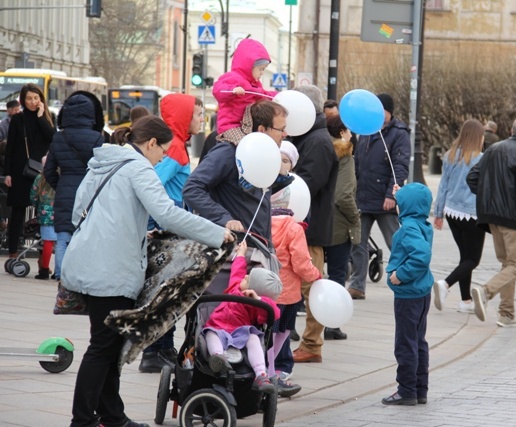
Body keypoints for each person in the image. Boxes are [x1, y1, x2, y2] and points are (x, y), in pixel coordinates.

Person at [62, 115, 234, 427]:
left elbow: (79, 212)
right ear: (150, 143)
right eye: (163, 150)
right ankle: (83, 420)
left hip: (87, 260)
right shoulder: (138, 166)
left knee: (108, 345)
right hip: (111, 269)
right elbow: (166, 214)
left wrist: (135, 233)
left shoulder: (104, 161)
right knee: (103, 348)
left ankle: (112, 416)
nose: (163, 157)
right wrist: (214, 233)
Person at [139, 94, 204, 373]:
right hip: (167, 225)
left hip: (170, 222)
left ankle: (163, 348)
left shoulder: (177, 144)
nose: (202, 120)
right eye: (198, 115)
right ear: (184, 117)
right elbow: (153, 181)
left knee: (169, 288)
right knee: (168, 289)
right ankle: (155, 352)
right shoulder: (175, 147)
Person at [466, 117, 516, 327]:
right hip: (514, 219)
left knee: (507, 264)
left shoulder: (494, 149)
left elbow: (472, 178)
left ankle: (506, 314)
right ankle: (485, 291)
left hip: (492, 217)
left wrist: (489, 196)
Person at [183, 100, 288, 240]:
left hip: (257, 246)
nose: (285, 134)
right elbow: (192, 188)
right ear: (262, 129)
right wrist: (224, 218)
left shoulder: (262, 154)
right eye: (281, 129)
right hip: (235, 249)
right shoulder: (229, 151)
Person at [288, 85, 339, 364]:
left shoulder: (317, 141)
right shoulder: (309, 137)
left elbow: (307, 184)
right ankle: (308, 343)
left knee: (312, 288)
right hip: (303, 224)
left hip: (310, 226)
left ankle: (311, 344)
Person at [348, 93, 410, 300]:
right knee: (358, 242)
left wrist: (391, 194)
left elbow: (400, 167)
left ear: (389, 112)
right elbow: (357, 163)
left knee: (396, 242)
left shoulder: (399, 134)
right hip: (363, 196)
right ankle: (357, 285)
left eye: (380, 109)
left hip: (385, 199)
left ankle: (404, 279)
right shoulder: (366, 130)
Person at [269, 154, 321, 394]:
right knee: (282, 333)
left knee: (266, 333)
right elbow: (301, 263)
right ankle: (273, 373)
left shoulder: (263, 222)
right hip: (288, 294)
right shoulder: (293, 228)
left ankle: (266, 370)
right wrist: (316, 276)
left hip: (265, 291)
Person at [204, 240, 281, 393]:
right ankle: (219, 358)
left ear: (254, 289)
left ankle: (261, 374)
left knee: (253, 338)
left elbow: (275, 312)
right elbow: (238, 270)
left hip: (241, 332)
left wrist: (257, 300)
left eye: (248, 279)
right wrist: (241, 253)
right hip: (218, 327)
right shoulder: (235, 286)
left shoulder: (258, 304)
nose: (244, 277)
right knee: (209, 333)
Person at [44, 91, 105, 280]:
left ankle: (61, 275)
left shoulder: (59, 138)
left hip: (64, 190)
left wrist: (60, 185)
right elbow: (102, 168)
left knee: (62, 238)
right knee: (86, 235)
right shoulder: (96, 138)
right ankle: (81, 274)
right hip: (89, 192)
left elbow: (48, 171)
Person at [382, 182, 433, 406]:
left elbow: (421, 256)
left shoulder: (409, 227)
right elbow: (410, 204)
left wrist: (401, 274)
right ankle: (419, 389)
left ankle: (406, 390)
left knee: (405, 343)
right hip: (421, 293)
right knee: (418, 340)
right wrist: (401, 194)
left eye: (400, 203)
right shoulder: (420, 222)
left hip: (408, 293)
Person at [433, 119, 485, 314]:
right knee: (473, 259)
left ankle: (465, 301)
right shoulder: (481, 158)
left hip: (452, 212)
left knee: (465, 257)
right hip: (471, 214)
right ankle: (445, 284)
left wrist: (438, 213)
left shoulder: (450, 156)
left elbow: (443, 186)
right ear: (478, 137)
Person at [3, 83, 56, 259]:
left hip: (41, 173)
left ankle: (43, 258)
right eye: (29, 98)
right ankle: (13, 252)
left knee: (43, 213)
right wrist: (8, 173)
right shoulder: (18, 119)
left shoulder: (48, 117)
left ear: (41, 99)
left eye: (36, 98)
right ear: (23, 100)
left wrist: (41, 117)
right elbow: (10, 147)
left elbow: (52, 138)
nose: (33, 102)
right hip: (20, 170)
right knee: (17, 213)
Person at [323, 113, 360, 340]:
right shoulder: (345, 155)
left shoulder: (320, 150)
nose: (352, 134)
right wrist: (355, 217)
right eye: (349, 130)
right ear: (341, 133)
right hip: (338, 225)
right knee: (337, 275)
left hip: (318, 221)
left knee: (310, 273)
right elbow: (344, 195)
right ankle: (332, 324)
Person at [212, 38, 278, 140]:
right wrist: (233, 90)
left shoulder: (256, 84)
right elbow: (218, 90)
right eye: (260, 69)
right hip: (230, 126)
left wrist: (277, 96)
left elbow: (264, 95)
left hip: (246, 126)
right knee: (243, 143)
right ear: (249, 66)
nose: (262, 73)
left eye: (263, 69)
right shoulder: (233, 77)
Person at [30, 155, 56, 280]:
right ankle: (59, 271)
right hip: (60, 213)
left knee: (47, 242)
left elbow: (33, 195)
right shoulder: (60, 177)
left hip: (45, 214)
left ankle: (44, 269)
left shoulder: (40, 178)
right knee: (61, 243)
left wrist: (37, 206)